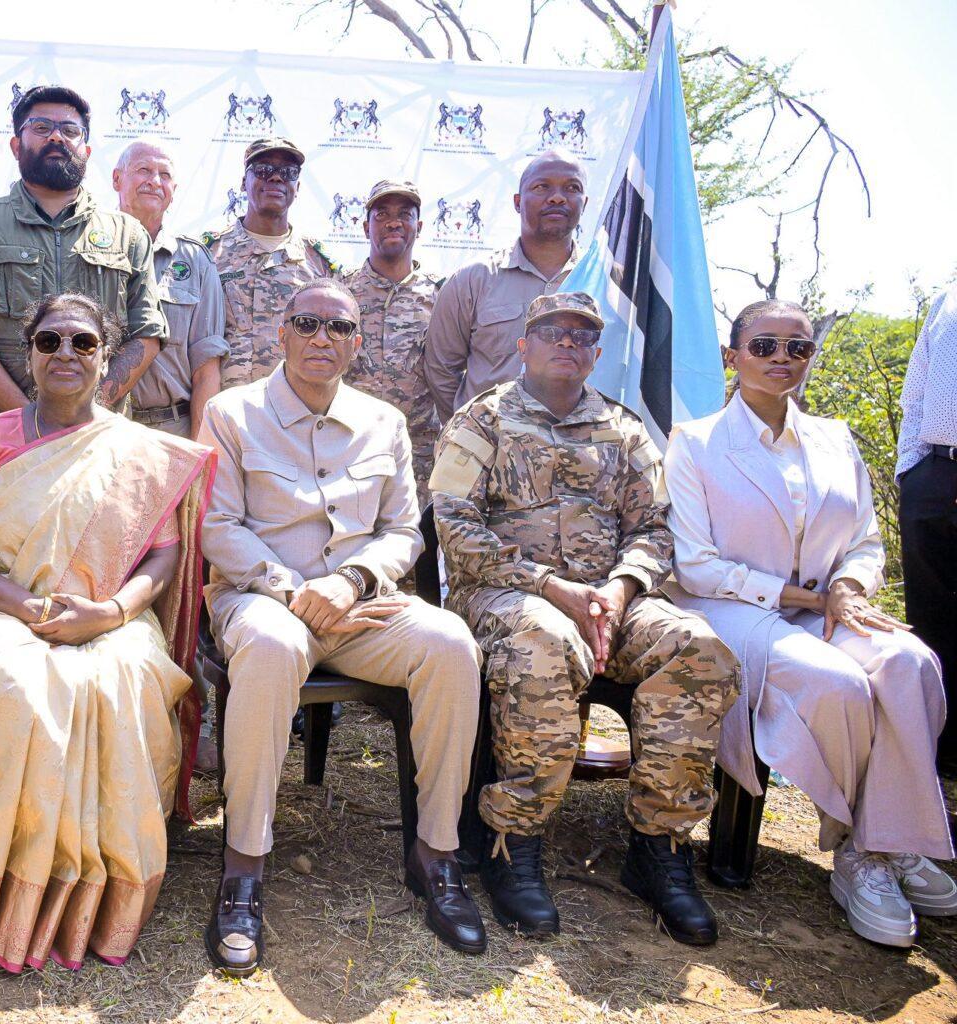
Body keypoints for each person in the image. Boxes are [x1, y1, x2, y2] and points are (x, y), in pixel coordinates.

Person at [199, 280, 486, 974]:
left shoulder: (383, 421)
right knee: (269, 648)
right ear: (282, 335)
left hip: (362, 606)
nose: (321, 337)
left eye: (338, 327)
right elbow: (217, 527)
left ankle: (436, 856)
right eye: (307, 323)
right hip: (260, 599)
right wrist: (297, 589)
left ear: (357, 344)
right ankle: (244, 869)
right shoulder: (230, 413)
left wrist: (350, 582)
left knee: (452, 643)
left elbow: (400, 533)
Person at [433, 292, 738, 946]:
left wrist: (623, 591)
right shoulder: (481, 421)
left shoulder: (625, 432)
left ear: (598, 353)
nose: (566, 343)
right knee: (541, 640)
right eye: (551, 332)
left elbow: (657, 529)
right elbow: (454, 526)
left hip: (611, 602)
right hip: (504, 595)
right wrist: (551, 587)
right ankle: (514, 841)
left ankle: (660, 849)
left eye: (580, 336)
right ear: (524, 345)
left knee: (698, 647)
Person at [0, 292, 214, 972]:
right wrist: (27, 608)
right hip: (4, 609)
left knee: (125, 684)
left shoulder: (137, 452)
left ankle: (99, 904)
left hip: (111, 614)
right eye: (50, 341)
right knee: (11, 687)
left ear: (104, 358)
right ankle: (5, 901)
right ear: (28, 354)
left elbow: (164, 556)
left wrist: (109, 614)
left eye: (83, 343)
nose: (65, 354)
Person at [664, 299, 956, 949]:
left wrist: (846, 589)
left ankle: (881, 844)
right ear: (731, 356)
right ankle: (867, 844)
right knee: (838, 682)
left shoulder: (835, 440)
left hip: (827, 604)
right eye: (764, 346)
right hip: (733, 608)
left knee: (912, 662)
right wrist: (804, 595)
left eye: (797, 349)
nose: (781, 360)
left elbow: (864, 541)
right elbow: (698, 565)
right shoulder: (696, 443)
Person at [0, 86, 166, 430]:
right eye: (41, 128)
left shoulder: (127, 233)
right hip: (2, 438)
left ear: (85, 150)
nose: (57, 137)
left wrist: (86, 413)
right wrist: (30, 421)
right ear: (16, 145)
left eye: (70, 130)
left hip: (95, 441)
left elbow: (147, 334)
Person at [424, 150, 587, 418]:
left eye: (571, 188)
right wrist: (472, 428)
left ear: (585, 203)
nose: (557, 197)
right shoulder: (473, 279)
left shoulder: (605, 282)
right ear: (518, 202)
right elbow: (440, 368)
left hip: (576, 453)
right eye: (542, 186)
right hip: (489, 452)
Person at [111, 141, 226, 439]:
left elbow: (206, 367)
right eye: (143, 170)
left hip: (171, 431)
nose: (154, 181)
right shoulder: (86, 248)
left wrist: (200, 450)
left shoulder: (195, 260)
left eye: (164, 175)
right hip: (100, 428)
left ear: (174, 189)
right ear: (116, 179)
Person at [203, 138, 336, 389]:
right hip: (226, 412)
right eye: (263, 170)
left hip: (296, 412)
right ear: (244, 182)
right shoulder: (209, 255)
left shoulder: (318, 265)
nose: (276, 178)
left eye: (288, 172)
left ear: (297, 186)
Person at [340, 179, 441, 503]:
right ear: (365, 226)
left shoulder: (442, 296)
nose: (394, 222)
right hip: (349, 451)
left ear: (419, 226)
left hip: (419, 458)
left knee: (414, 549)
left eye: (405, 214)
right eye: (381, 214)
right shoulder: (341, 294)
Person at [896, 284, 957, 774]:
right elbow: (915, 391)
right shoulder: (948, 296)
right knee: (931, 620)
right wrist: (911, 472)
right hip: (935, 474)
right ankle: (936, 762)